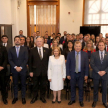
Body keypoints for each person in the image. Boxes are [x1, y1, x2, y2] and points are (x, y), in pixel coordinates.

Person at [66, 41, 89, 107]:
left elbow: (87, 66)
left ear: (81, 47)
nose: (78, 47)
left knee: (81, 87)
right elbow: (67, 65)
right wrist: (68, 74)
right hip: (72, 74)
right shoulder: (70, 54)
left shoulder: (85, 54)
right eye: (76, 46)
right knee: (72, 87)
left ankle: (81, 100)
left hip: (81, 74)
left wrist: (86, 75)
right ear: (74, 47)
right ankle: (72, 99)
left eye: (79, 46)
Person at [8, 36, 28, 104]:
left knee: (23, 84)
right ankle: (15, 97)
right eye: (15, 40)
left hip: (23, 69)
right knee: (15, 84)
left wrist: (21, 67)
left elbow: (26, 59)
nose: (17, 41)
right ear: (14, 41)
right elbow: (10, 60)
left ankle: (23, 97)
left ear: (20, 41)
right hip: (14, 70)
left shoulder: (25, 49)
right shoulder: (11, 49)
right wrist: (16, 67)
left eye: (18, 40)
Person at [29, 37, 49, 104]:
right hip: (35, 71)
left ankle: (42, 97)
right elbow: (30, 62)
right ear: (35, 42)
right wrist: (30, 71)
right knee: (35, 85)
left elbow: (49, 61)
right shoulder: (32, 50)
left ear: (43, 42)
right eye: (38, 41)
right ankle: (35, 97)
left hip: (44, 71)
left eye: (40, 41)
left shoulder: (47, 50)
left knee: (43, 85)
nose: (39, 42)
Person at [90, 41, 108, 108]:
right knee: (95, 89)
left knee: (104, 89)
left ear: (104, 46)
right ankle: (95, 101)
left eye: (102, 45)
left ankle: (104, 101)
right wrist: (98, 71)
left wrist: (105, 71)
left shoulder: (107, 54)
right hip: (96, 74)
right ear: (98, 46)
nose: (101, 46)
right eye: (99, 45)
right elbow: (92, 64)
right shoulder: (94, 54)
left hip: (105, 75)